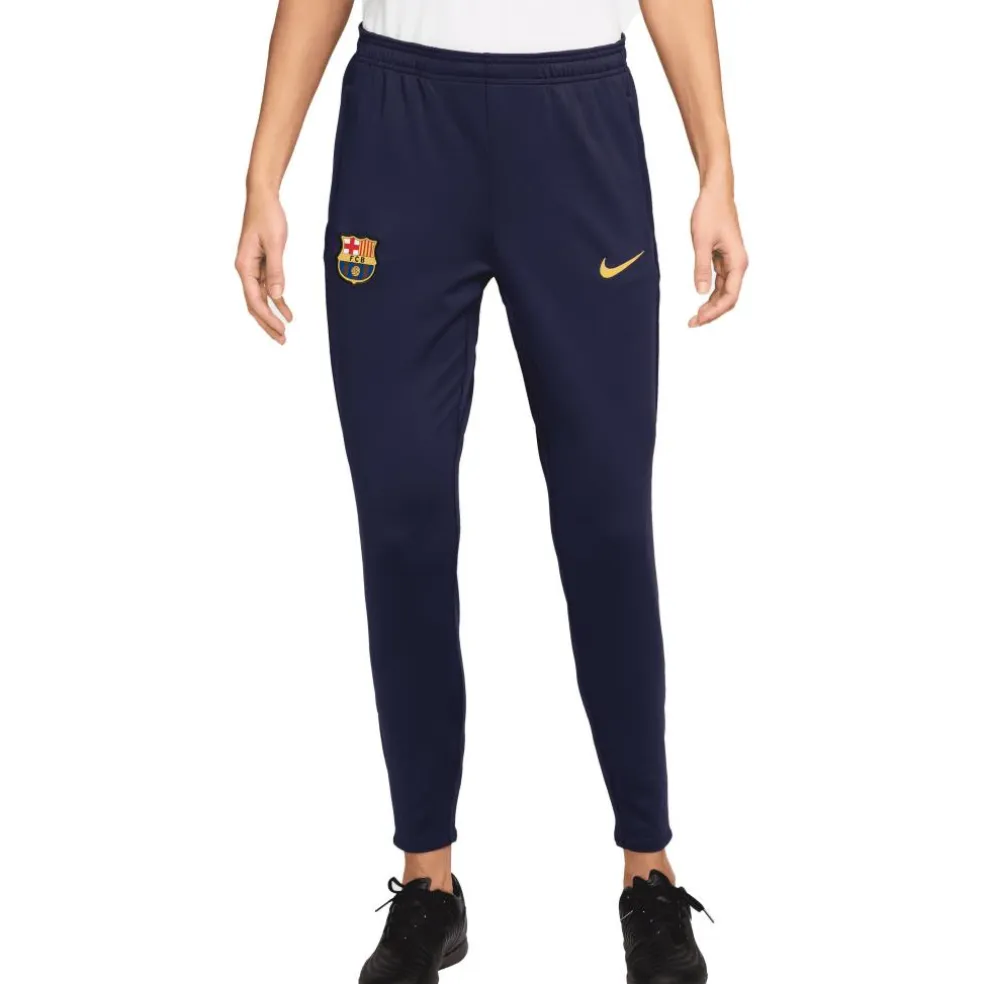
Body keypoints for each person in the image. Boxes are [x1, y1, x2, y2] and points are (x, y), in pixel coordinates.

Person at [236, 1, 747, 981]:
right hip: (401, 127)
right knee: (402, 521)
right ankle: (427, 884)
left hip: (576, 121)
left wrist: (715, 164)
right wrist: (264, 170)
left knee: (606, 520)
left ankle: (648, 870)